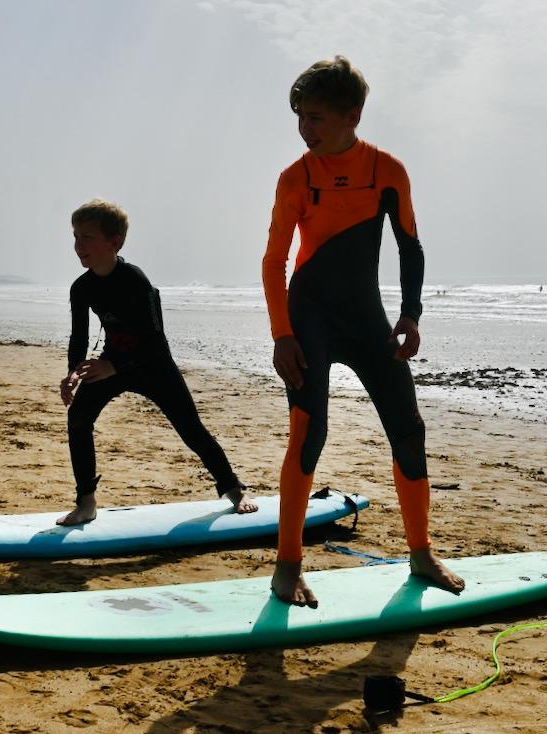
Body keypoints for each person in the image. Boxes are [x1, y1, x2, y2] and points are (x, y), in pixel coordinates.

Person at [261, 56, 465, 607]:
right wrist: (282, 334)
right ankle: (287, 566)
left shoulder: (387, 170)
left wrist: (412, 314)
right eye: (300, 116)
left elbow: (410, 246)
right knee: (310, 433)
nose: (305, 128)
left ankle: (421, 553)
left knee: (409, 426)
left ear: (353, 115)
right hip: (309, 317)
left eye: (317, 117)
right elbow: (274, 259)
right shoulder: (295, 178)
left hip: (366, 315)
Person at [58, 198, 256, 526]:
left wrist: (114, 367)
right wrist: (72, 373)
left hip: (153, 365)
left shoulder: (135, 281)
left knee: (191, 429)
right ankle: (86, 503)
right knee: (78, 419)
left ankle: (234, 490)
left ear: (114, 242)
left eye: (87, 237)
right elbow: (79, 337)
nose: (78, 244)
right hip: (113, 362)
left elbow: (153, 339)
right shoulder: (82, 288)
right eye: (75, 236)